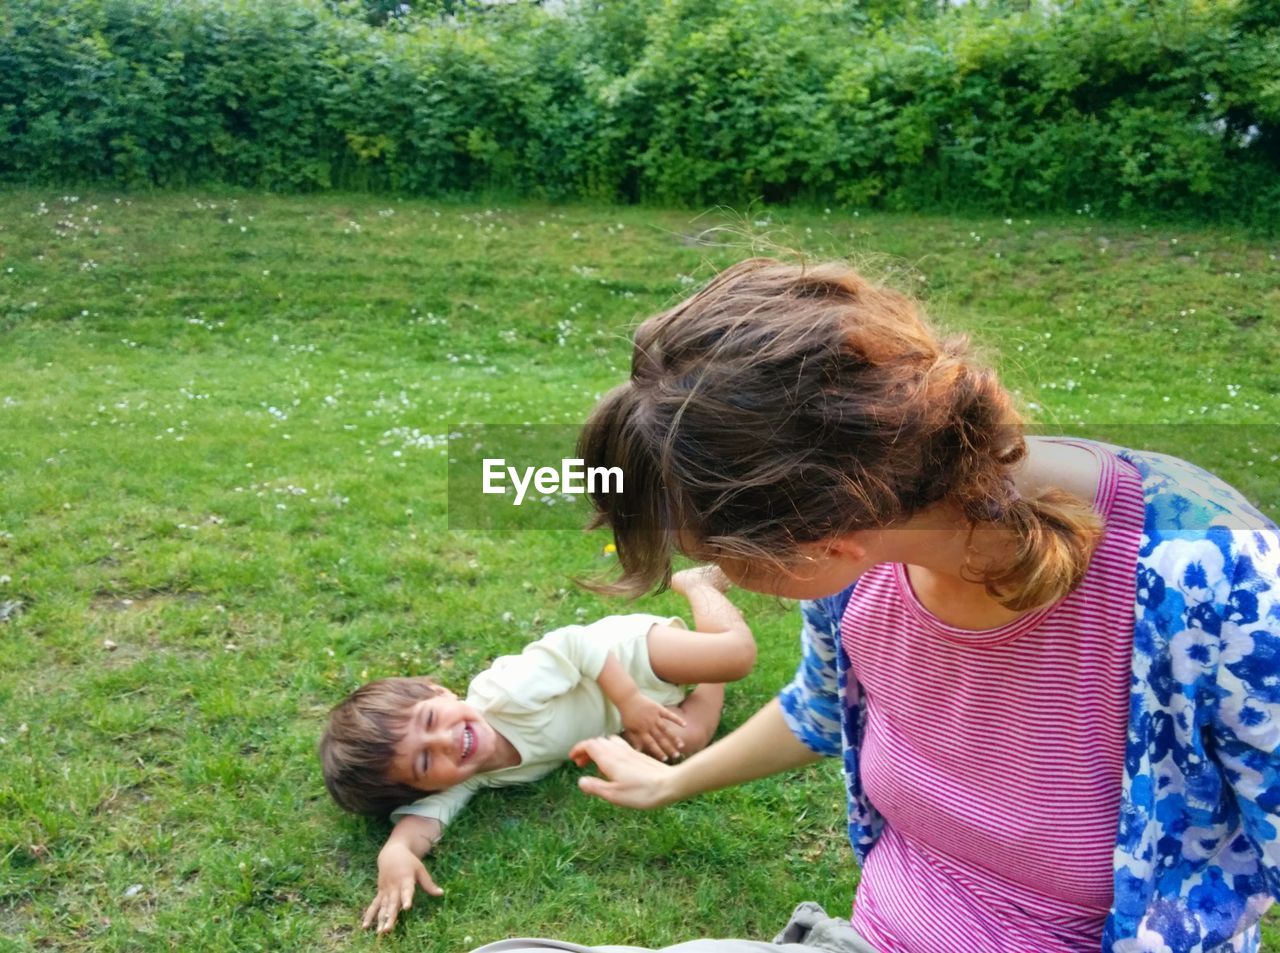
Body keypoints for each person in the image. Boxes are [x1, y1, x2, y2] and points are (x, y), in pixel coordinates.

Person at [478, 259, 1279, 953]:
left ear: (822, 540)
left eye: (715, 553)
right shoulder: (866, 559)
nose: (713, 571)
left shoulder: (1213, 580)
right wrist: (671, 783)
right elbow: (825, 706)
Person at [319, 566, 755, 935]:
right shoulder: (471, 775)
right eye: (426, 760)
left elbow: (577, 643)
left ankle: (698, 584)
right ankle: (708, 678)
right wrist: (394, 854)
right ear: (423, 788)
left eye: (431, 721)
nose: (447, 741)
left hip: (629, 656)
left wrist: (630, 702)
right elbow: (420, 825)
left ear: (439, 691)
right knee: (689, 740)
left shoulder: (504, 695)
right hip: (630, 712)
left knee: (735, 656)